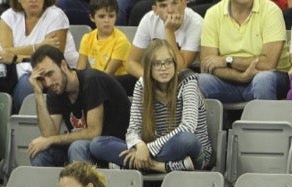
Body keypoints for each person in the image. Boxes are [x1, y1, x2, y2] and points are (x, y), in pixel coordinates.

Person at [89, 39, 212, 172]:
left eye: (168, 62)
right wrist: (139, 145)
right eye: (157, 63)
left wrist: (148, 149)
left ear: (175, 65)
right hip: (161, 152)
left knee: (186, 139)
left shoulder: (188, 82)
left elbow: (188, 127)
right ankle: (161, 166)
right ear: (149, 67)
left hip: (189, 152)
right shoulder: (142, 85)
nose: (163, 68)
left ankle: (138, 164)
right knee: (97, 144)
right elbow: (133, 129)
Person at [198, 0, 291, 103]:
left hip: (270, 77)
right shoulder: (213, 14)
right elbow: (207, 65)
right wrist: (240, 77)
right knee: (200, 80)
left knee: (263, 79)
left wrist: (226, 60)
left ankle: (265, 125)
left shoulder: (271, 10)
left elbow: (268, 64)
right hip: (229, 81)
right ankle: (218, 124)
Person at [27, 45, 131, 167]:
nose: (48, 83)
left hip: (112, 147)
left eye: (50, 74)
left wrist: (50, 140)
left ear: (63, 65)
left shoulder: (92, 81)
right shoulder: (55, 89)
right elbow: (49, 134)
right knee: (40, 153)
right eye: (42, 79)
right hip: (85, 149)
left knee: (77, 146)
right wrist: (38, 93)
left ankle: (86, 186)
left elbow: (93, 133)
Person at [0, 0, 79, 110]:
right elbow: (3, 54)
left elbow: (52, 59)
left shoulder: (55, 16)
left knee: (27, 83)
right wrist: (39, 47)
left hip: (55, 72)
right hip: (17, 70)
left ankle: (18, 126)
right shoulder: (9, 16)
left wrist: (16, 57)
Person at [122, 0, 203, 94]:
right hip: (154, 73)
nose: (170, 10)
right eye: (163, 6)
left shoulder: (196, 23)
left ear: (184, 4)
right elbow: (131, 63)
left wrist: (169, 31)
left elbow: (180, 67)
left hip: (184, 78)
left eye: (174, 3)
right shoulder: (148, 19)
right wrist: (150, 80)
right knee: (113, 84)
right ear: (155, 10)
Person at [77, 0, 130, 76]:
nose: (107, 20)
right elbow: (80, 70)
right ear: (92, 17)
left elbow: (108, 74)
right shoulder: (87, 38)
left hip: (116, 82)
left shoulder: (121, 41)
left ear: (117, 16)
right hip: (98, 80)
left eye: (111, 16)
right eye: (101, 16)